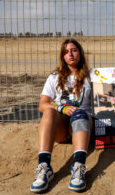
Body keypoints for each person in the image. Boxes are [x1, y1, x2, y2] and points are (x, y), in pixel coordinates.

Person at [30, 38, 91, 193]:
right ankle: (44, 168)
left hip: (83, 127)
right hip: (60, 129)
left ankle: (78, 168)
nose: (70, 54)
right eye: (66, 52)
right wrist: (61, 108)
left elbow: (110, 98)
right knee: (49, 111)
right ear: (62, 56)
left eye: (74, 50)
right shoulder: (54, 77)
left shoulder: (92, 76)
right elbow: (42, 105)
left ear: (80, 53)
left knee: (80, 113)